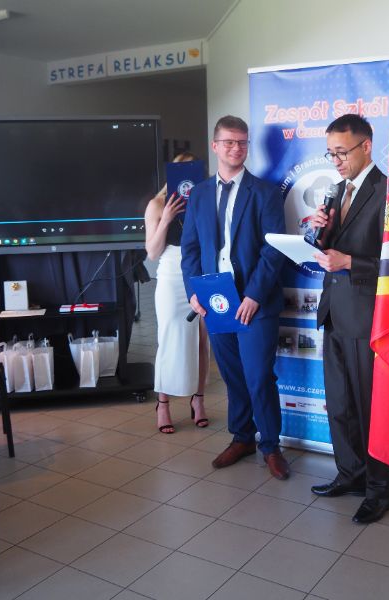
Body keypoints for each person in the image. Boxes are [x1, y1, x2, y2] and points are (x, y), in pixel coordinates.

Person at [180, 115, 290, 480]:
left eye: (242, 142)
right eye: (228, 142)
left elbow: (273, 250)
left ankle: (270, 446)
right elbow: (190, 250)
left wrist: (255, 295)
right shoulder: (198, 194)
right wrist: (194, 293)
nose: (236, 148)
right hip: (216, 300)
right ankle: (242, 437)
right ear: (215, 146)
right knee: (232, 375)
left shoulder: (265, 192)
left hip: (255, 302)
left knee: (259, 376)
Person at [308, 114, 389, 523]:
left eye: (342, 153)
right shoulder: (337, 190)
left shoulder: (388, 191)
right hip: (334, 312)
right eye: (331, 154)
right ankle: (351, 473)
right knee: (340, 404)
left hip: (368, 318)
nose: (336, 161)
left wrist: (350, 262)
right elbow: (330, 249)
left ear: (366, 146)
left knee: (369, 407)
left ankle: (379, 489)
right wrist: (319, 232)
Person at [144, 152, 210, 434]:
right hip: (171, 271)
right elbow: (152, 252)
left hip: (201, 270)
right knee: (169, 337)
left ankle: (198, 400)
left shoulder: (206, 199)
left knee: (202, 340)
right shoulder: (157, 205)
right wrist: (167, 219)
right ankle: (163, 404)